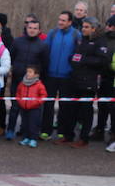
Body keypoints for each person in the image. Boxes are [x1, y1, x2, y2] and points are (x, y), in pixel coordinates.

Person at [54, 17, 109, 148]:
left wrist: (83, 60)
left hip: (88, 82)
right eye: (83, 27)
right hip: (75, 80)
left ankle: (84, 139)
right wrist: (72, 59)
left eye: (86, 27)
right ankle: (68, 136)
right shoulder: (81, 40)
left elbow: (102, 61)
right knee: (70, 110)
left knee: (86, 111)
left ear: (93, 29)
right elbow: (74, 56)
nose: (83, 29)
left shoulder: (100, 42)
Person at [6, 19, 49, 140]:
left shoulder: (43, 45)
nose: (32, 30)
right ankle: (10, 130)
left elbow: (45, 65)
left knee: (31, 109)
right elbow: (10, 57)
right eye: (30, 28)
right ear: (26, 28)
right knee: (15, 107)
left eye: (35, 28)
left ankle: (27, 132)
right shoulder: (17, 42)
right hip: (17, 79)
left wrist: (40, 80)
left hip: (33, 83)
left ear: (39, 30)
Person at [41, 11, 81, 140]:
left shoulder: (76, 34)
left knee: (65, 105)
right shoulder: (52, 33)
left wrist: (73, 70)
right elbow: (44, 51)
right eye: (59, 19)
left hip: (67, 76)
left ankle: (61, 131)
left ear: (70, 22)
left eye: (63, 20)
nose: (60, 22)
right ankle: (46, 130)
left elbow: (79, 55)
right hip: (51, 75)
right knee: (48, 104)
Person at [91, 15, 115, 141]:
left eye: (111, 26)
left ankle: (113, 133)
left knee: (113, 108)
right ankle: (99, 130)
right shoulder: (101, 39)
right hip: (102, 77)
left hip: (113, 79)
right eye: (107, 25)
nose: (108, 28)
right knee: (102, 106)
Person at [14, 65, 46, 148]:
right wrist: (20, 101)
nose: (28, 73)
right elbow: (18, 93)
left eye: (30, 72)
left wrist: (37, 102)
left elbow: (43, 95)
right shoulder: (22, 83)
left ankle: (33, 139)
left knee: (33, 124)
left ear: (36, 75)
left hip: (35, 108)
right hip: (23, 107)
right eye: (27, 71)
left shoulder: (39, 85)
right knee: (25, 124)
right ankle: (26, 138)